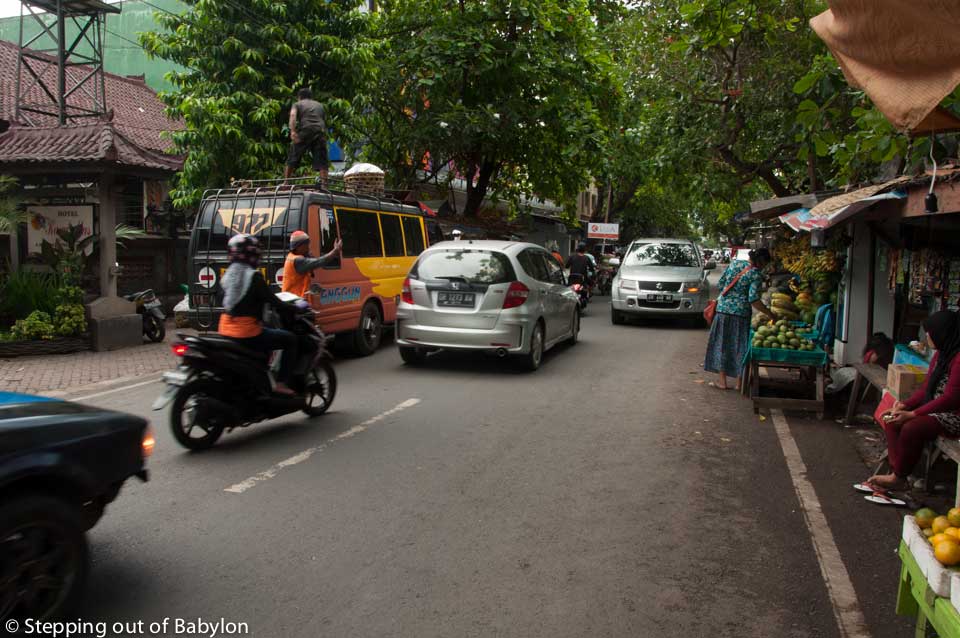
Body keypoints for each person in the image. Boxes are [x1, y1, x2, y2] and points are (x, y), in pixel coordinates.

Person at [868, 311, 960, 490]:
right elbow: (926, 387)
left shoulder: (958, 359)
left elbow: (951, 399)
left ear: (943, 333)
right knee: (892, 419)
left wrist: (912, 414)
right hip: (935, 409)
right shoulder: (941, 354)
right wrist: (905, 404)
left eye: (930, 332)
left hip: (953, 415)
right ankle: (898, 473)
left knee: (912, 427)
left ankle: (898, 476)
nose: (927, 336)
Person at [218, 234, 298, 396]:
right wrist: (295, 309)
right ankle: (281, 383)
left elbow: (221, 300)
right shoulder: (253, 277)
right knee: (290, 340)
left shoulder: (226, 276)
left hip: (225, 329)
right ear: (253, 255)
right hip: (247, 333)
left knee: (268, 333)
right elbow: (273, 301)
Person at [703, 248, 779, 391]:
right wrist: (770, 314)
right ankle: (739, 383)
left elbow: (721, 285)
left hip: (723, 311)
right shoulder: (756, 275)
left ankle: (722, 382)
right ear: (762, 262)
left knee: (722, 345)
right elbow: (753, 299)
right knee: (740, 347)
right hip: (741, 314)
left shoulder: (734, 264)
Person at [284, 88, 328, 183]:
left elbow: (292, 115)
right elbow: (323, 119)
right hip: (320, 130)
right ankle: (325, 185)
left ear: (299, 97)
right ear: (310, 97)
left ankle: (286, 182)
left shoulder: (297, 104)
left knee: (294, 154)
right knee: (322, 159)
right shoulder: (319, 105)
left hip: (306, 129)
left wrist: (293, 131)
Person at [282, 230, 343, 297]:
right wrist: (335, 251)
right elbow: (319, 262)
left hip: (295, 299)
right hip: (293, 301)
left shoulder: (292, 256)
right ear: (299, 246)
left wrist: (310, 287)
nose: (308, 247)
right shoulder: (298, 260)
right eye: (307, 244)